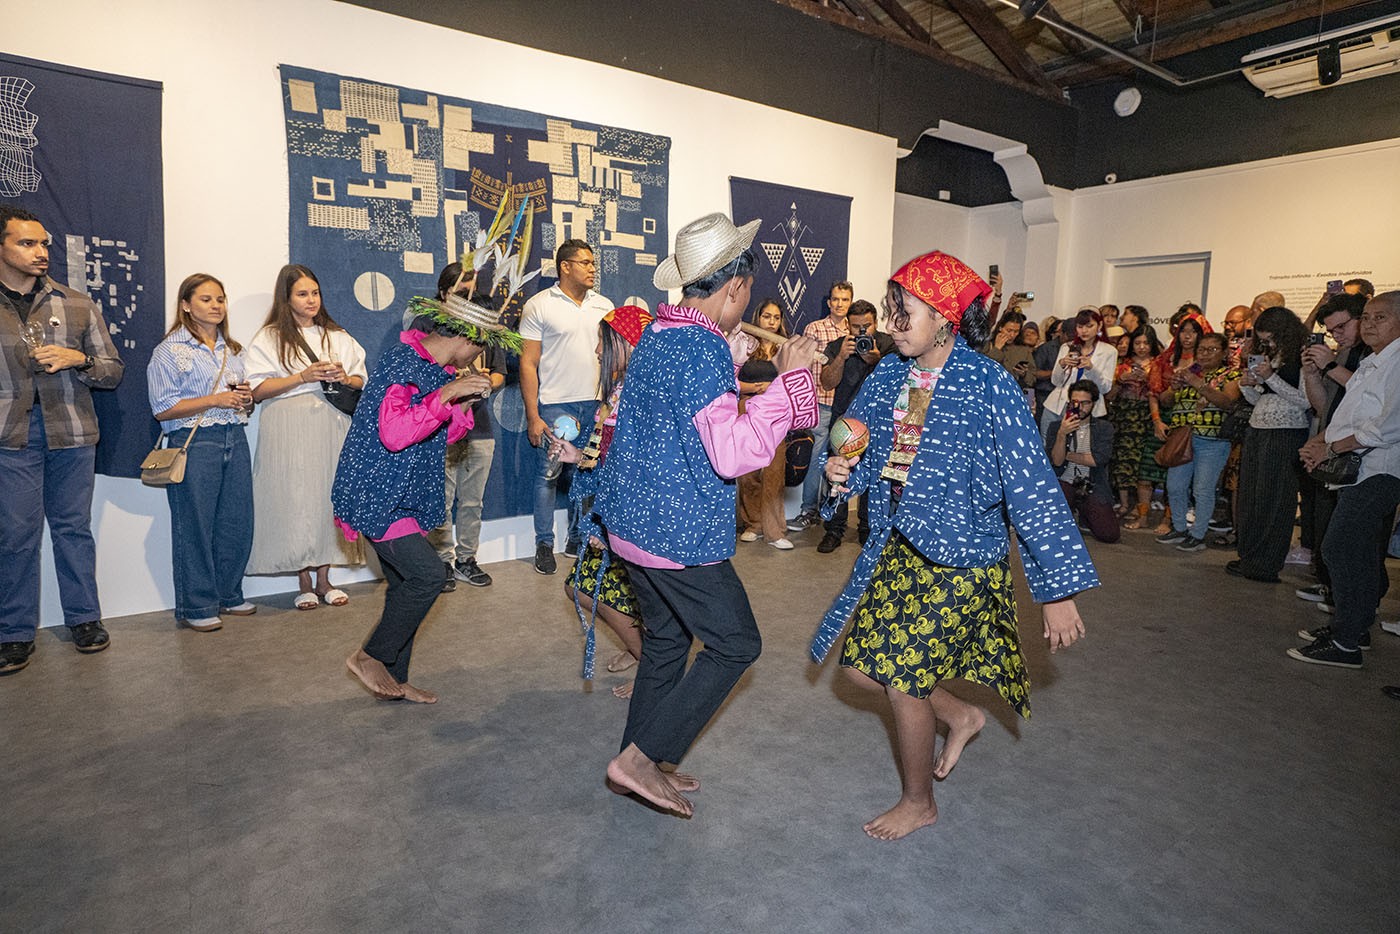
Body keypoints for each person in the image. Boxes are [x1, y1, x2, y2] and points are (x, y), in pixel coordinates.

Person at [813, 250, 1093, 841]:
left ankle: (920, 802)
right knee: (862, 672)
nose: (891, 323)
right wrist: (843, 474)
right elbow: (862, 451)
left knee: (903, 679)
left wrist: (1058, 589)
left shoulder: (989, 383)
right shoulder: (889, 374)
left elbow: (1032, 484)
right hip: (899, 544)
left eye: (903, 311)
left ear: (944, 315)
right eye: (890, 310)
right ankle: (961, 713)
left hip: (963, 555)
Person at [588, 212, 819, 817]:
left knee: (666, 644)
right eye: (747, 292)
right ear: (735, 288)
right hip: (675, 534)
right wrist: (791, 383)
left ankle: (639, 759)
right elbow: (733, 453)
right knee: (736, 644)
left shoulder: (660, 335)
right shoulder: (704, 349)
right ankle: (640, 760)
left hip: (632, 525)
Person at [333, 291, 513, 703]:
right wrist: (447, 396)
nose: (478, 357)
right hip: (377, 490)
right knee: (429, 576)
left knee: (404, 586)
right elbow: (395, 435)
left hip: (405, 490)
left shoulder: (438, 369)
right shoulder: (404, 361)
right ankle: (369, 657)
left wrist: (460, 401)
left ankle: (394, 678)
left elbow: (440, 436)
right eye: (481, 346)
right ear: (470, 339)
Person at [0, 205, 124, 673]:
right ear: (2, 247)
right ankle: (13, 633)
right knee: (15, 536)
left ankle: (85, 619)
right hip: (10, 435)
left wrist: (78, 360)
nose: (40, 252)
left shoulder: (76, 303)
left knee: (73, 529)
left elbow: (112, 371)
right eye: (26, 243)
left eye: (44, 243)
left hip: (71, 431)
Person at [244, 264, 366, 608]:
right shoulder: (269, 337)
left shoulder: (337, 335)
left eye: (315, 293)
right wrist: (302, 376)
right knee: (292, 496)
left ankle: (326, 580)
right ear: (286, 298)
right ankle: (303, 581)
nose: (311, 300)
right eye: (302, 294)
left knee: (328, 495)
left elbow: (361, 380)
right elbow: (256, 389)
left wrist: (343, 377)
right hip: (287, 424)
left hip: (330, 422)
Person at [1290, 292, 1400, 669]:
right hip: (1359, 468)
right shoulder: (1374, 361)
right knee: (1360, 553)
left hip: (1380, 470)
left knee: (1340, 549)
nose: (1369, 325)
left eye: (1380, 318)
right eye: (1366, 317)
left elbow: (1385, 427)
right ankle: (1352, 627)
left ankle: (1346, 642)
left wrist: (1330, 448)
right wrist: (1320, 441)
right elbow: (1349, 411)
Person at [146, 274, 255, 633]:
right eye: (206, 299)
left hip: (233, 436)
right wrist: (216, 399)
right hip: (193, 443)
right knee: (195, 525)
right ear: (185, 305)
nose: (216, 305)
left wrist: (245, 400)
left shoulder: (232, 350)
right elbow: (163, 408)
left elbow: (239, 401)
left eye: (220, 299)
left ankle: (229, 593)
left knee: (236, 523)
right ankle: (198, 604)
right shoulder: (168, 350)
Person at [561, 305, 653, 697]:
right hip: (618, 514)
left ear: (626, 343)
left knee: (592, 588)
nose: (598, 352)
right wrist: (576, 455)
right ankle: (641, 653)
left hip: (634, 518)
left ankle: (653, 670)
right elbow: (607, 457)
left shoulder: (640, 394)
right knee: (608, 589)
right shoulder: (621, 390)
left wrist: (606, 522)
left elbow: (635, 468)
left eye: (603, 342)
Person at [518, 239, 612, 575]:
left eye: (593, 263)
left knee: (587, 472)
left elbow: (614, 358)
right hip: (557, 405)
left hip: (597, 404)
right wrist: (533, 415)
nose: (591, 268)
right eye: (585, 262)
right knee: (549, 473)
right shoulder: (539, 305)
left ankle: (579, 538)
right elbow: (528, 363)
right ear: (565, 266)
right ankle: (544, 544)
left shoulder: (604, 305)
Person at [424, 263, 506, 591]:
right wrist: (451, 385)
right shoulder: (428, 323)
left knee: (473, 500)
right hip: (439, 428)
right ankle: (441, 561)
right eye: (461, 289)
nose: (468, 294)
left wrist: (483, 382)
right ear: (444, 293)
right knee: (441, 499)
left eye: (472, 288)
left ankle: (467, 559)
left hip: (480, 425)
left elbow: (499, 372)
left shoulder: (487, 325)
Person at [1295, 293, 1368, 612]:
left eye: (1341, 328)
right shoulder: (1341, 355)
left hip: (1362, 453)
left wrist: (1331, 365)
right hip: (1332, 445)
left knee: (1353, 539)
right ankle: (1332, 587)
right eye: (1331, 331)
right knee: (1327, 526)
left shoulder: (1373, 355)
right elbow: (1324, 405)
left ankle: (1356, 606)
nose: (1337, 336)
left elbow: (1367, 396)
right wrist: (1312, 372)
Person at [1230, 306, 1311, 583]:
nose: (1270, 343)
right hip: (1257, 429)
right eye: (1265, 339)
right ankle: (1250, 555)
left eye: (1273, 338)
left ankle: (1267, 562)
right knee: (1252, 498)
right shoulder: (1272, 356)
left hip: (1286, 433)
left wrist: (1270, 378)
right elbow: (1259, 400)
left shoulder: (1301, 356)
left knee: (1274, 499)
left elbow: (1305, 400)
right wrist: (1247, 384)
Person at [817, 298, 895, 553]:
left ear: (876, 323)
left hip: (879, 422)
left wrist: (876, 360)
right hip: (845, 421)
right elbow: (827, 383)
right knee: (838, 476)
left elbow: (898, 383)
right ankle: (834, 529)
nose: (862, 332)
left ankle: (866, 528)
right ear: (848, 326)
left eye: (867, 326)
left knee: (874, 476)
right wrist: (841, 356)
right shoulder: (838, 346)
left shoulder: (888, 344)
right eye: (856, 326)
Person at [1154, 333, 1241, 551]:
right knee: (1174, 486)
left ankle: (1198, 534)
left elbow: (1228, 403)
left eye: (1211, 350)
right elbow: (1164, 400)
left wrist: (1199, 385)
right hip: (1182, 437)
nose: (1204, 354)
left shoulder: (1230, 375)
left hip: (1212, 440)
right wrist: (1174, 387)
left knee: (1203, 489)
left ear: (1224, 353)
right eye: (1201, 349)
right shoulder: (1188, 372)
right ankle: (1180, 528)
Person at [788, 280, 853, 532]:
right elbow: (803, 365)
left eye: (844, 299)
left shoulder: (854, 331)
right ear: (829, 302)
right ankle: (808, 510)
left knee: (841, 461)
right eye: (835, 299)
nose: (839, 304)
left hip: (846, 406)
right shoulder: (814, 328)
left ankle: (832, 512)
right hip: (820, 402)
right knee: (817, 458)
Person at [734, 298, 793, 549]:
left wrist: (774, 391)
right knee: (748, 473)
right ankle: (753, 524)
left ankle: (774, 530)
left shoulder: (787, 349)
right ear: (758, 317)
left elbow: (794, 382)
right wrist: (758, 387)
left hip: (776, 413)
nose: (771, 322)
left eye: (776, 317)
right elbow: (731, 381)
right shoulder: (744, 343)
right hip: (747, 408)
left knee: (774, 472)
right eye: (767, 316)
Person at [1046, 380, 1120, 544]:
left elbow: (1098, 460)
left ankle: (1084, 514)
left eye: (1085, 403)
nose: (1079, 407)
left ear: (1093, 404)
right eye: (1074, 402)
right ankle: (1070, 513)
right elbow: (1057, 462)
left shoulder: (1104, 427)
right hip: (1065, 481)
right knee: (1052, 529)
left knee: (1109, 534)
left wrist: (1069, 454)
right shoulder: (1057, 427)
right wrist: (1061, 435)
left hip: (1092, 484)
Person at [1108, 325, 1163, 527]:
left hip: (1147, 415)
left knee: (1143, 462)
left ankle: (1142, 507)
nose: (1141, 347)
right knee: (1122, 458)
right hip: (1123, 414)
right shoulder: (1122, 364)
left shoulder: (1159, 364)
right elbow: (1110, 395)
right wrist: (1121, 380)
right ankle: (1123, 504)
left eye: (1146, 343)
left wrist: (1149, 380)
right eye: (1137, 343)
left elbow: (1162, 393)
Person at [1042, 306, 1115, 436]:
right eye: (1080, 327)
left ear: (1099, 326)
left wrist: (1091, 368)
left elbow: (1105, 388)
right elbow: (1056, 381)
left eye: (1089, 326)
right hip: (1058, 406)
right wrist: (1062, 364)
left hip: (1087, 409)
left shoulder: (1109, 351)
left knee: (1079, 449)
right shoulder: (1067, 347)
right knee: (1047, 444)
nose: (1084, 331)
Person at [981, 310, 1036, 393]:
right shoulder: (986, 345)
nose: (1012, 335)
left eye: (1016, 331)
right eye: (1009, 330)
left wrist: (1024, 374)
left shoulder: (1024, 350)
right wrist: (997, 349)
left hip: (1015, 392)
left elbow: (1032, 379)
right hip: (991, 392)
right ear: (1000, 328)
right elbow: (983, 370)